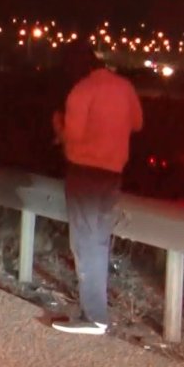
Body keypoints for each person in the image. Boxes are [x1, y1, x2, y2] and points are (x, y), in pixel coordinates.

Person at [50, 45, 143, 335]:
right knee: (99, 242)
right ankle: (96, 312)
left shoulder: (81, 90)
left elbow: (74, 137)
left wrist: (59, 127)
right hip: (113, 174)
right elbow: (138, 124)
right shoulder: (124, 87)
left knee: (85, 243)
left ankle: (94, 318)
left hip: (85, 174)